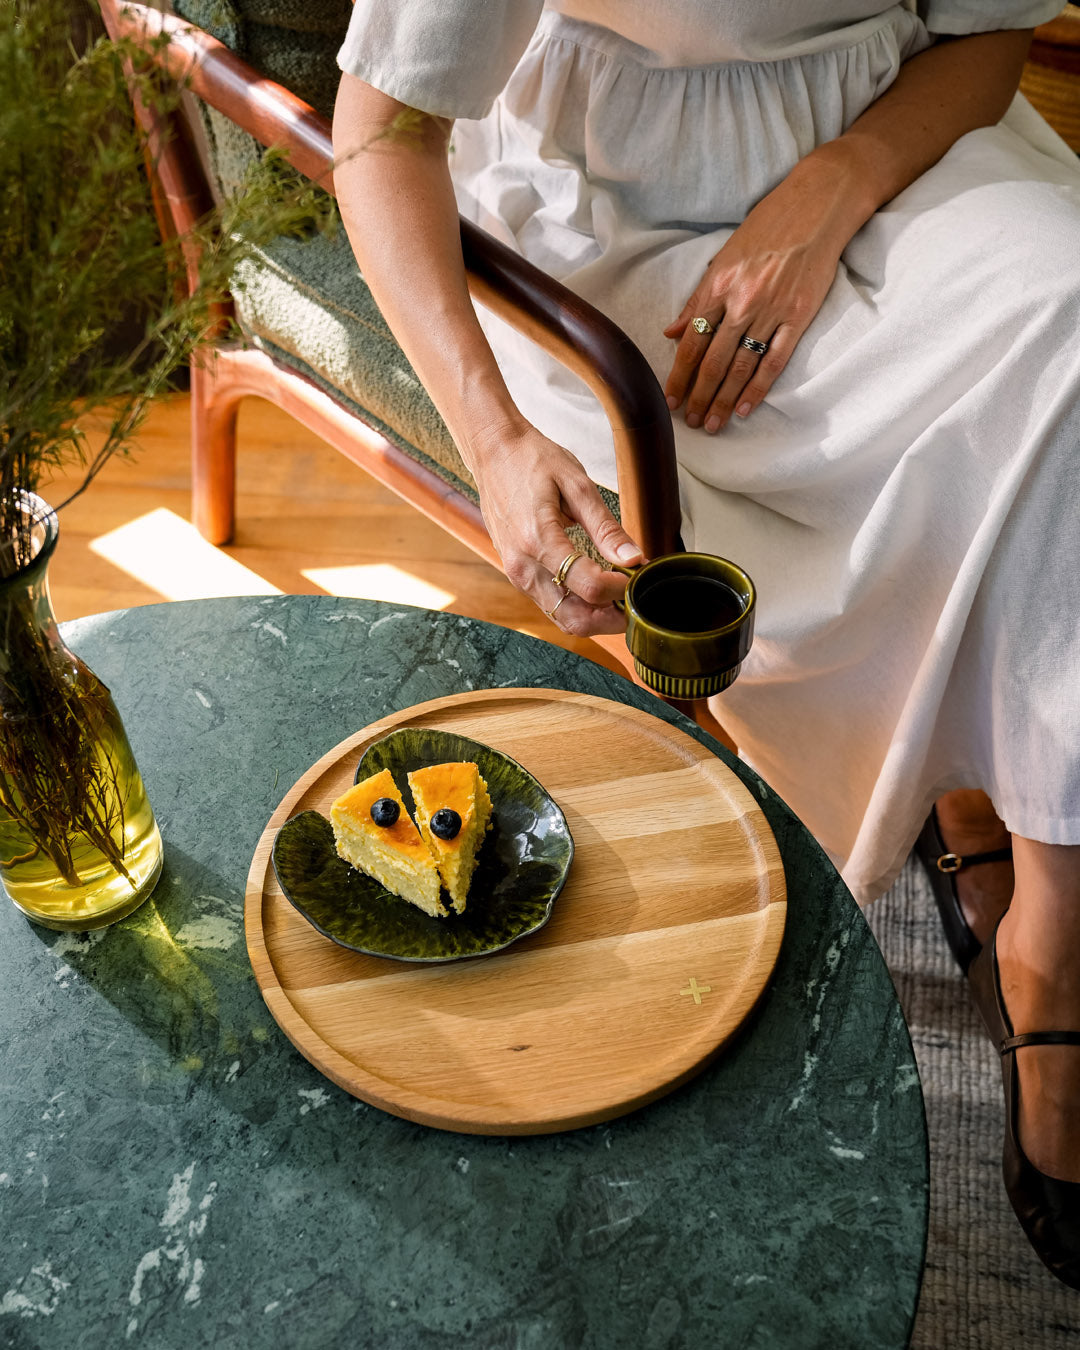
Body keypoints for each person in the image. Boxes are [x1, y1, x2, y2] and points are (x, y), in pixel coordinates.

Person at [331, 0, 1080, 1286]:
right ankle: (975, 805)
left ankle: (1050, 959)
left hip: (902, 155)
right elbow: (383, 131)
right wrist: (497, 443)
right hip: (614, 224)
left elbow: (986, 34)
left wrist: (829, 192)